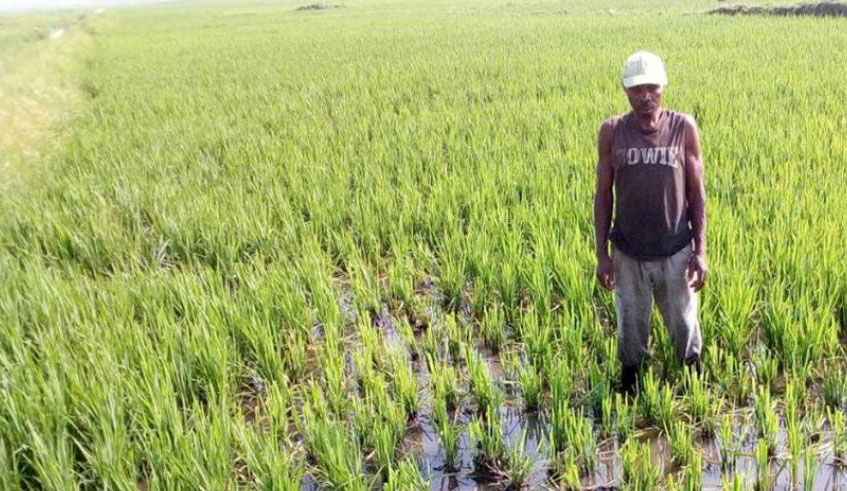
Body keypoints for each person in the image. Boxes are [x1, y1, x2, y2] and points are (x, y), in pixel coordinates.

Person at [593, 51, 708, 394]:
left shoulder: (683, 127)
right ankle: (630, 387)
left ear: (663, 87)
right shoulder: (612, 131)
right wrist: (602, 254)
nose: (646, 96)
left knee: (684, 324)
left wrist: (699, 250)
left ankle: (694, 384)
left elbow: (696, 191)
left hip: (675, 250)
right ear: (625, 91)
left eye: (652, 88)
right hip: (628, 253)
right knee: (630, 326)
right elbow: (602, 194)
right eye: (637, 89)